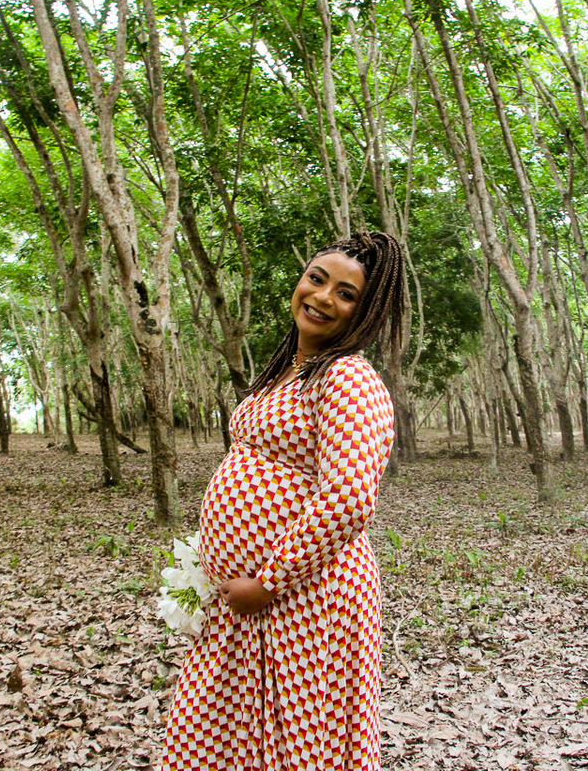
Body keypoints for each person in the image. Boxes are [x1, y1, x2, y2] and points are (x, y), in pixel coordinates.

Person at [162, 230, 406, 771]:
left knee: (296, 739)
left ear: (364, 312)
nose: (322, 297)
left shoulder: (348, 378)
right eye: (317, 279)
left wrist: (267, 581)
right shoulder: (287, 370)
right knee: (216, 729)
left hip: (305, 599)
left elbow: (348, 499)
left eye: (346, 294)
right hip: (245, 606)